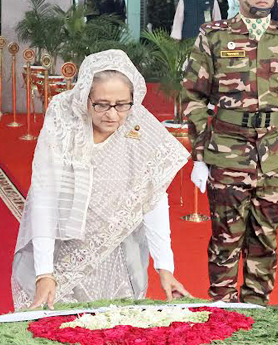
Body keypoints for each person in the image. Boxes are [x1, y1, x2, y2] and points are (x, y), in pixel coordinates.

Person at [11, 49, 191, 310]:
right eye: (102, 104)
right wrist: (44, 272)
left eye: (122, 105)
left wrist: (165, 267)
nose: (113, 115)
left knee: (115, 328)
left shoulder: (139, 124)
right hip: (63, 253)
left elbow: (152, 198)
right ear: (85, 98)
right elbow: (45, 197)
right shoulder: (63, 121)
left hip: (119, 254)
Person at [181, 0, 278, 306]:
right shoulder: (215, 36)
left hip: (274, 153)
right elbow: (193, 96)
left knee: (265, 238)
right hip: (227, 151)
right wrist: (201, 155)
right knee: (226, 237)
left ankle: (257, 310)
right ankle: (221, 310)